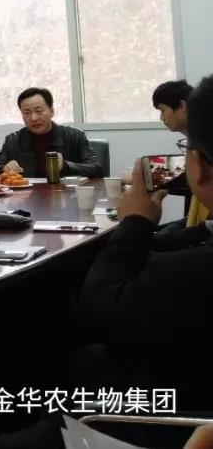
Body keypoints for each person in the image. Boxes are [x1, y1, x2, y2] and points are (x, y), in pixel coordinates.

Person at [77, 73, 213, 408]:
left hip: (178, 414)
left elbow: (100, 311)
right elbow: (203, 229)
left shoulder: (181, 274)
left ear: (198, 167)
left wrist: (135, 222)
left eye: (163, 110)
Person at [0, 87, 103, 182]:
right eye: (27, 113)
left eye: (39, 111)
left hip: (66, 196)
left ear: (52, 111)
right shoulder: (13, 140)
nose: (33, 118)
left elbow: (96, 169)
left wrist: (66, 166)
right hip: (27, 197)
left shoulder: (75, 136)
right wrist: (3, 168)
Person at [153, 79, 208, 227]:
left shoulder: (205, 139)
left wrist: (148, 175)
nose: (161, 118)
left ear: (183, 105)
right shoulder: (197, 137)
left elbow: (194, 175)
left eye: (162, 110)